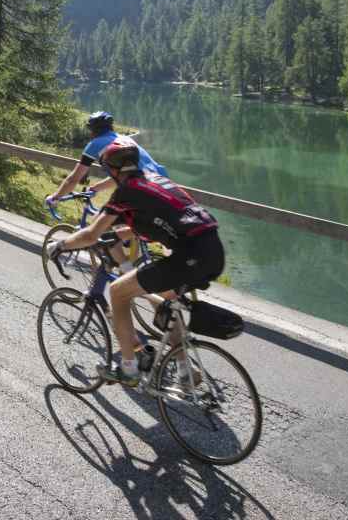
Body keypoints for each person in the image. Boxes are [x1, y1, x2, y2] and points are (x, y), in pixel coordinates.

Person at [47, 137, 224, 387]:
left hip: (188, 256)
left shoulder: (126, 192)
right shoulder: (157, 181)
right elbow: (160, 219)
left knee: (119, 291)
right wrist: (117, 235)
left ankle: (129, 369)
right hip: (212, 251)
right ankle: (186, 371)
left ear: (113, 171)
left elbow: (90, 234)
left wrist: (61, 245)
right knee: (165, 301)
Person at [47, 111, 169, 269]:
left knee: (99, 227)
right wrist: (97, 187)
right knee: (128, 228)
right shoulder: (125, 139)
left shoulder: (95, 144)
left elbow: (74, 179)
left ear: (92, 131)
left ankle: (125, 272)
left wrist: (55, 197)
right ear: (110, 126)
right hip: (163, 187)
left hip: (139, 191)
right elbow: (125, 173)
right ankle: (129, 261)